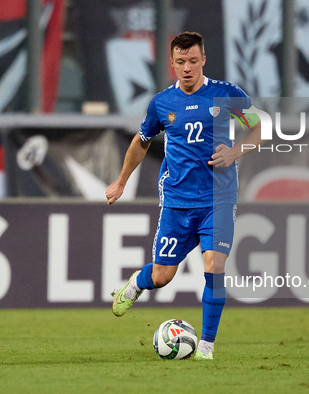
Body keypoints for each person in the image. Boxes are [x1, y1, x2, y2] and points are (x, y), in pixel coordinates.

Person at [105, 32, 263, 359]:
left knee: (214, 266)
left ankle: (206, 347)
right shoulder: (162, 103)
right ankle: (136, 284)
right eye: (180, 62)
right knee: (162, 276)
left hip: (218, 199)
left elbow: (260, 127)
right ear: (172, 63)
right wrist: (121, 182)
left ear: (203, 60)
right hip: (177, 202)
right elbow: (142, 141)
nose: (187, 68)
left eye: (193, 61)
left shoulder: (226, 94)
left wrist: (236, 152)